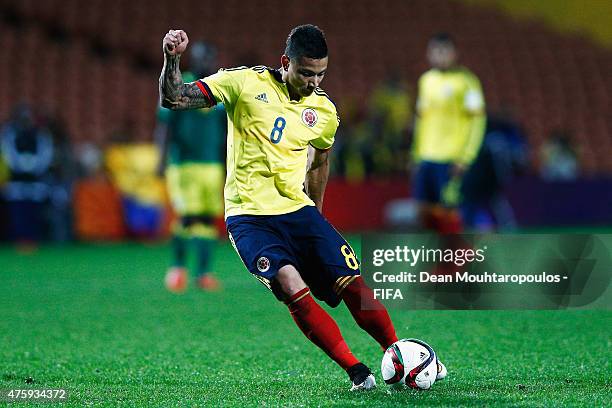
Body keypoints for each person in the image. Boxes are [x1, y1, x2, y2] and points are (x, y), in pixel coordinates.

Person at [159, 25, 446, 390]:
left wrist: (317, 214)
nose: (313, 82)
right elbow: (175, 98)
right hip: (249, 216)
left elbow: (321, 159)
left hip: (298, 211)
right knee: (289, 281)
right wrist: (172, 58)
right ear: (285, 62)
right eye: (306, 73)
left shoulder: (324, 110)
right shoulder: (243, 83)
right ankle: (357, 371)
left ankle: (401, 355)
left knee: (352, 283)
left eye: (321, 74)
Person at [156, 41, 226, 292]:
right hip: (183, 164)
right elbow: (165, 124)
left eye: (211, 57)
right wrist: (160, 159)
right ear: (194, 60)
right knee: (188, 217)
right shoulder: (179, 84)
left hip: (212, 165)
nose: (207, 62)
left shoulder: (219, 90)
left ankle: (204, 273)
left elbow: (226, 130)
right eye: (202, 58)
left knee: (208, 219)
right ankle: (177, 270)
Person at [411, 33, 486, 233]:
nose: (439, 55)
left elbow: (478, 122)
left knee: (451, 215)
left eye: (444, 51)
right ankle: (433, 260)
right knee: (424, 213)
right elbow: (421, 121)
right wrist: (416, 155)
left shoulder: (467, 82)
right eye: (435, 51)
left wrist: (466, 157)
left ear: (454, 53)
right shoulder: (426, 81)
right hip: (426, 158)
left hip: (451, 159)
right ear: (428, 54)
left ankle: (458, 259)